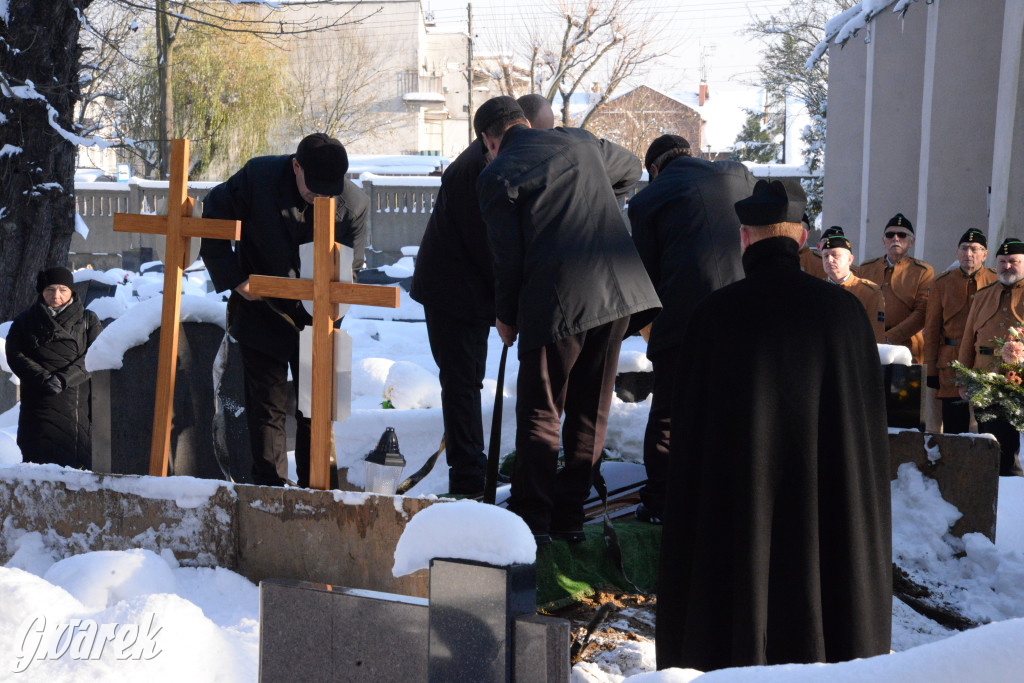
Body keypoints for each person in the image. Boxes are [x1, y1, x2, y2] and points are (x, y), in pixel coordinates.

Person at [656, 179, 892, 672]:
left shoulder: (713, 316)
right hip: (828, 514)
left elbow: (690, 440)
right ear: (802, 239)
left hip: (737, 518)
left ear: (745, 238)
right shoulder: (845, 315)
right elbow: (865, 439)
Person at [475, 96, 660, 543]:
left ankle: (531, 524)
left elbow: (508, 258)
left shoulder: (496, 174)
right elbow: (633, 167)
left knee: (541, 412)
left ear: (489, 140)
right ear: (523, 122)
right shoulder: (580, 142)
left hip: (556, 303)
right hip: (619, 295)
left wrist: (505, 316)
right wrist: (601, 204)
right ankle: (570, 518)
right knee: (590, 411)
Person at [199, 133, 368, 488]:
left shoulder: (353, 204)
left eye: (329, 191)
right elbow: (213, 215)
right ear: (295, 166)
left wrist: (329, 305)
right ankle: (271, 492)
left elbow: (351, 267)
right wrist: (235, 278)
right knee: (266, 411)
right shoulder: (258, 178)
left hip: (321, 318)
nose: (321, 197)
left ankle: (319, 491)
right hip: (263, 308)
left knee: (317, 410)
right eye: (314, 189)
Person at [409, 96, 555, 496]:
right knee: (460, 381)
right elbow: (492, 248)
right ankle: (468, 475)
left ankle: (475, 464)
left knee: (470, 379)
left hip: (472, 288)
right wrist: (509, 309)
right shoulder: (475, 170)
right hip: (450, 290)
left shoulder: (497, 159)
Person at [626, 133, 756, 523]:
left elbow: (644, 276)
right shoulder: (737, 177)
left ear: (653, 168)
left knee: (668, 415)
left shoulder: (648, 199)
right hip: (742, 318)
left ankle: (661, 502)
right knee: (733, 411)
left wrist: (628, 326)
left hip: (683, 323)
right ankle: (730, 496)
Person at [6, 267, 102, 469]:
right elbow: (15, 355)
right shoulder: (25, 321)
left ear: (71, 292)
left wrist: (64, 379)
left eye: (62, 290)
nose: (56, 295)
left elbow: (95, 356)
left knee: (74, 471)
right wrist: (43, 378)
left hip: (75, 405)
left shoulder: (87, 320)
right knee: (37, 471)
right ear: (42, 291)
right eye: (50, 289)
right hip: (37, 405)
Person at [957, 237, 1024, 476]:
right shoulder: (983, 295)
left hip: (1018, 383)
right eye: (1002, 262)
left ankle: (1012, 485)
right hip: (985, 378)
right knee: (989, 436)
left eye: (1013, 261)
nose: (1007, 267)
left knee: (1012, 446)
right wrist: (963, 378)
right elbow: (968, 339)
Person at [924, 228, 996, 434]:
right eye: (964, 249)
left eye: (975, 249)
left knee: (985, 426)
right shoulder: (941, 283)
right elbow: (931, 330)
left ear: (985, 254)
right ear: (957, 253)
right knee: (954, 427)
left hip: (985, 363)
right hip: (950, 364)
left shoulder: (995, 282)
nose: (969, 254)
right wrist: (931, 370)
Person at [860, 213, 934, 362]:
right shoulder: (866, 268)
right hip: (869, 344)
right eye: (890, 235)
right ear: (883, 241)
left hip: (906, 349)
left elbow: (922, 312)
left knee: (902, 386)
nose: (895, 238)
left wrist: (890, 338)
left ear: (911, 242)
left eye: (902, 235)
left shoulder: (923, 271)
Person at [820, 232, 886, 342]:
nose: (829, 260)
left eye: (835, 255)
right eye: (825, 256)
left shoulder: (869, 292)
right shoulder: (817, 289)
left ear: (850, 259)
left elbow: (876, 335)